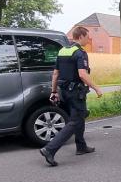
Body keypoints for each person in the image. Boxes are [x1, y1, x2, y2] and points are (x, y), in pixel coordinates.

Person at [39, 27, 104, 167]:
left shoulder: (62, 51)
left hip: (65, 91)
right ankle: (49, 149)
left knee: (79, 116)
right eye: (87, 36)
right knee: (75, 120)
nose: (89, 39)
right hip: (76, 92)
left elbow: (55, 74)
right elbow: (82, 74)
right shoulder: (80, 53)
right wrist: (96, 88)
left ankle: (81, 146)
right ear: (80, 36)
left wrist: (54, 91)